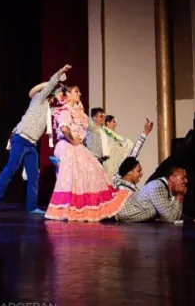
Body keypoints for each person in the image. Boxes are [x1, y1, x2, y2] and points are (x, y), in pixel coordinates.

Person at [0, 64, 72, 215]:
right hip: (21, 138)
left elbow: (64, 109)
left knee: (34, 175)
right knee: (11, 168)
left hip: (32, 144)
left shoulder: (50, 109)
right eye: (55, 91)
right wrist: (61, 72)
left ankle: (32, 206)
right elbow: (51, 84)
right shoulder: (39, 99)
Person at [43, 85, 130, 222]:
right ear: (68, 95)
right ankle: (69, 209)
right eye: (76, 91)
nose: (80, 93)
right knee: (75, 178)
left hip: (77, 147)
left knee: (91, 174)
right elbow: (65, 129)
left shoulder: (79, 112)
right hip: (68, 146)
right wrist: (73, 141)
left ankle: (82, 209)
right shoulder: (64, 111)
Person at [115, 166, 187, 223]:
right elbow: (170, 218)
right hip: (114, 216)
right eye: (183, 178)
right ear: (172, 178)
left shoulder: (168, 190)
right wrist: (179, 196)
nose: (186, 181)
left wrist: (179, 195)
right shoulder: (158, 187)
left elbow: (176, 216)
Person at [98, 116, 154, 180]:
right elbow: (132, 156)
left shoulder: (119, 139)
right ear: (107, 123)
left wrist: (145, 133)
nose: (116, 124)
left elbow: (132, 155)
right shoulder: (103, 139)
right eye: (113, 122)